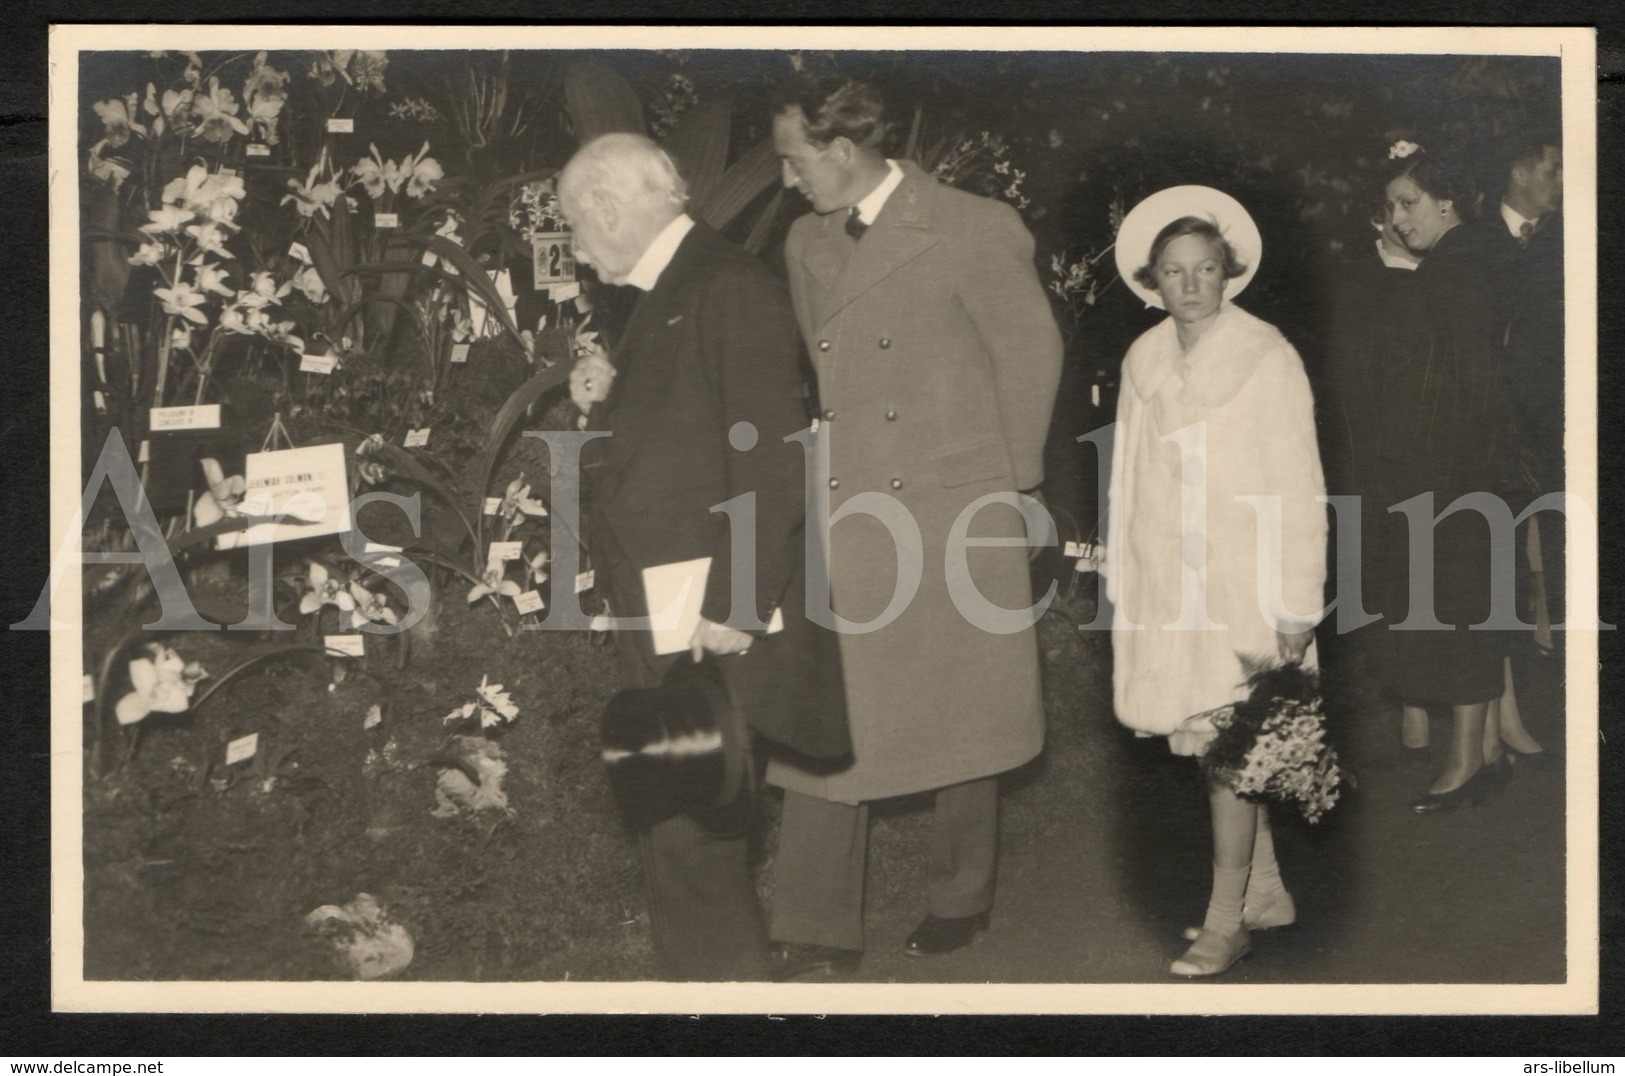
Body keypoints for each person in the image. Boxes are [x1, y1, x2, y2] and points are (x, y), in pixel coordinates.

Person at [764, 75, 1063, 977]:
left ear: (843, 152)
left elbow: (1029, 355)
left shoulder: (972, 226)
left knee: (962, 712)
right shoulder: (804, 242)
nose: (784, 178)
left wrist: (1007, 493)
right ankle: (811, 921)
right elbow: (829, 383)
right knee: (826, 706)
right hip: (852, 509)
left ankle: (959, 895)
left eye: (793, 158)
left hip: (950, 509)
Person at [559, 132, 850, 980]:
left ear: (609, 209)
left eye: (577, 228)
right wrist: (608, 403)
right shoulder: (678, 289)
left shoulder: (727, 284)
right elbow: (686, 431)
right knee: (678, 819)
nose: (576, 250)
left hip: (707, 605)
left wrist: (738, 603)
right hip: (670, 597)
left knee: (694, 828)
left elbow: (772, 460)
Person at [1103, 186, 1326, 977]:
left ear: (1228, 273)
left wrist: (1296, 604)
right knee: (1214, 753)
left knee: (1234, 752)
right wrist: (1124, 579)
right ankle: (1264, 889)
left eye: (1204, 268)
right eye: (1172, 271)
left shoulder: (1266, 354)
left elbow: (1300, 486)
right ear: (1151, 282)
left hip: (1244, 587)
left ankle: (1222, 921)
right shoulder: (1143, 360)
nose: (1189, 284)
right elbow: (1125, 482)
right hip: (1171, 588)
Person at [1377, 142, 1516, 812]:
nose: (1397, 217)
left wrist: (1448, 461)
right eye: (1391, 206)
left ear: (1444, 200)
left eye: (1407, 202)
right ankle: (1485, 748)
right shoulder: (1469, 258)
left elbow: (1469, 379)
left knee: (1459, 608)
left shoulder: (1451, 268)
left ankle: (1464, 762)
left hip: (1455, 465)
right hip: (1473, 461)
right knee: (1473, 606)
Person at [1476, 130, 1565, 771]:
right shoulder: (1474, 242)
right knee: (1495, 566)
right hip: (1491, 435)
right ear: (1518, 169)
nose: (1562, 180)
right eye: (1552, 166)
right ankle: (1497, 716)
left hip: (1555, 431)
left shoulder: (1570, 236)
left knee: (1557, 562)